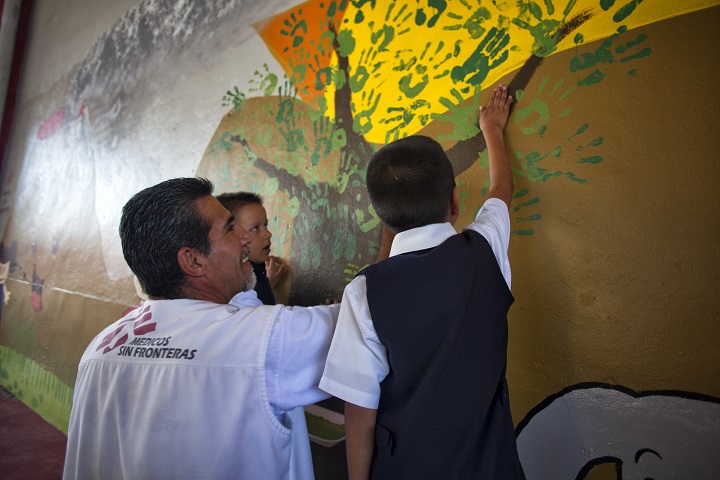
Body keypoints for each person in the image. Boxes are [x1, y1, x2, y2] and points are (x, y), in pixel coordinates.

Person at [63, 177, 340, 480]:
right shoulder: (261, 339)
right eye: (230, 228)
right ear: (193, 261)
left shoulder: (100, 348)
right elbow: (372, 318)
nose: (245, 238)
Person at [319, 84, 525, 479]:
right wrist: (492, 129)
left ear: (385, 218)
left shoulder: (363, 292)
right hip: (493, 466)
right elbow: (501, 190)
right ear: (455, 201)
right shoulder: (485, 250)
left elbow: (360, 408)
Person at [216, 191, 285, 305]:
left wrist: (268, 284)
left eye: (265, 225)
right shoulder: (236, 286)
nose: (268, 234)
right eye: (255, 228)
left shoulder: (259, 271)